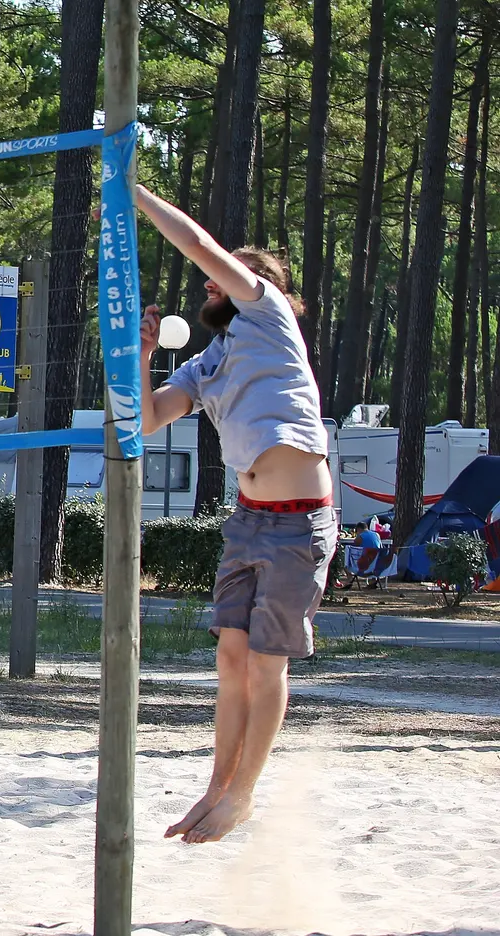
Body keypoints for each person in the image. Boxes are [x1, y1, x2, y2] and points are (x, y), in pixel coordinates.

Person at [135, 184, 338, 844]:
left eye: (222, 277)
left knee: (263, 665)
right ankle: (216, 789)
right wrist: (141, 362)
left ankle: (243, 794)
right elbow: (150, 417)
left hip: (299, 519)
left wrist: (129, 183)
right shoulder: (208, 362)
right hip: (248, 518)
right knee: (230, 658)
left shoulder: (268, 313)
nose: (208, 282)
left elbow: (197, 243)